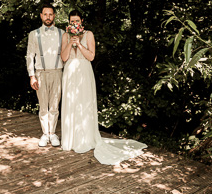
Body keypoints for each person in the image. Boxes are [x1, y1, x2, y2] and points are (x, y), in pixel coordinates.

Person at [60, 10, 147, 165]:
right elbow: (64, 57)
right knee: (71, 103)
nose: (75, 24)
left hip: (84, 72)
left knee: (84, 103)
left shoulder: (89, 34)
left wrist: (79, 44)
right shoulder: (65, 36)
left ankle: (85, 138)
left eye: (77, 21)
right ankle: (71, 139)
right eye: (72, 21)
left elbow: (91, 57)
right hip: (69, 72)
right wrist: (70, 43)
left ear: (82, 21)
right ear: (69, 23)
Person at [26, 3, 65, 147]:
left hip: (57, 72)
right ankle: (45, 133)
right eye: (45, 14)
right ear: (41, 16)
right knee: (43, 106)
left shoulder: (62, 33)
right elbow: (30, 55)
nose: (48, 17)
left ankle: (52, 133)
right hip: (40, 73)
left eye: (51, 14)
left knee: (54, 105)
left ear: (54, 16)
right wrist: (32, 75)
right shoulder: (34, 34)